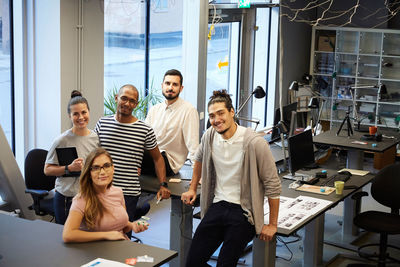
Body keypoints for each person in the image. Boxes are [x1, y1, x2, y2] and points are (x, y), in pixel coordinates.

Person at [181, 90, 281, 266]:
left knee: (225, 264)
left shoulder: (254, 142)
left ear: (232, 112)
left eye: (221, 113)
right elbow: (198, 159)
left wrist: (272, 224)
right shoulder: (209, 136)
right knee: (192, 262)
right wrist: (192, 188)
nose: (216, 119)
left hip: (243, 212)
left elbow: (273, 184)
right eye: (212, 116)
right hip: (217, 205)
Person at [94, 84, 170, 237]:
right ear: (117, 98)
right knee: (99, 235)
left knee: (122, 238)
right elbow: (93, 157)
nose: (127, 104)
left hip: (127, 194)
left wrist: (162, 184)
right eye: (124, 98)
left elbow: (158, 158)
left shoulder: (145, 130)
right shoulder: (102, 124)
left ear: (136, 104)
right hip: (101, 190)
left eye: (132, 101)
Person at [63, 148, 148, 243]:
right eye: (96, 167)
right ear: (89, 173)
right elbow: (68, 234)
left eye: (106, 166)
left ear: (113, 168)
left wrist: (132, 225)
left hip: (120, 247)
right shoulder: (81, 199)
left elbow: (122, 226)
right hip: (97, 252)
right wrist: (106, 235)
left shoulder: (118, 192)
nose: (102, 172)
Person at [44, 90, 99, 225]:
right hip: (66, 198)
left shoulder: (96, 138)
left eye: (84, 112)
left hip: (89, 196)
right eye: (75, 114)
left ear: (89, 112)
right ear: (69, 116)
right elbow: (47, 169)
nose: (80, 117)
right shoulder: (61, 140)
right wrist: (69, 168)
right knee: (65, 238)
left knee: (86, 236)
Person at [143, 69, 199, 176]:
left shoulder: (188, 110)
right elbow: (143, 138)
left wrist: (198, 176)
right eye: (167, 83)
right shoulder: (154, 110)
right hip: (151, 158)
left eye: (175, 84)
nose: (170, 88)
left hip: (168, 162)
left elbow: (193, 145)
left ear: (181, 88)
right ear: (162, 85)